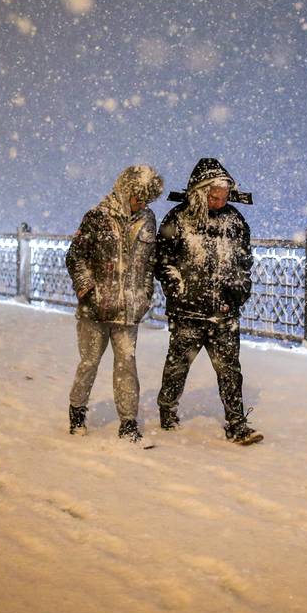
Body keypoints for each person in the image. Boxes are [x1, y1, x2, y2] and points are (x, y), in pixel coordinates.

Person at [154, 158, 262, 445]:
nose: (219, 201)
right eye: (213, 196)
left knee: (229, 370)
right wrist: (178, 289)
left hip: (223, 314)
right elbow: (163, 262)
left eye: (223, 196)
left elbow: (243, 264)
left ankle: (237, 423)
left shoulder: (235, 221)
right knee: (177, 366)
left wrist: (237, 294)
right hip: (187, 312)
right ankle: (167, 410)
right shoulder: (178, 218)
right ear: (200, 192)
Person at [65, 165, 164, 442]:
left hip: (129, 309)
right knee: (89, 362)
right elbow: (75, 257)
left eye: (146, 200)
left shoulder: (148, 220)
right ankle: (77, 410)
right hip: (95, 310)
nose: (141, 204)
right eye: (138, 198)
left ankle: (128, 422)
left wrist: (144, 295)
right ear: (125, 191)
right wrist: (88, 290)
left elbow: (148, 263)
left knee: (126, 364)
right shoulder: (97, 217)